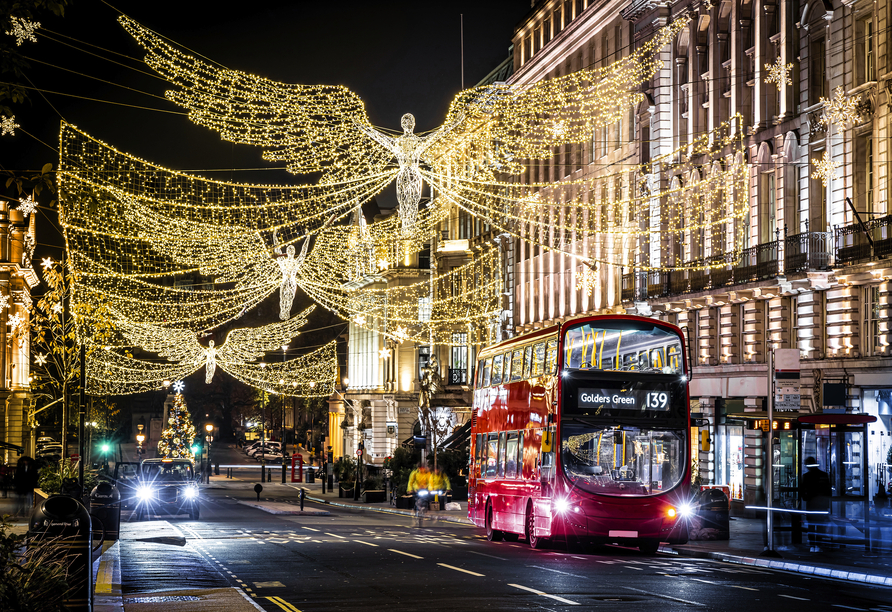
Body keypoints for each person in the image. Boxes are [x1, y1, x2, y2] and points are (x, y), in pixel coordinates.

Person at [801, 456, 832, 552]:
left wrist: (805, 498)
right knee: (820, 526)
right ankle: (818, 545)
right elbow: (828, 491)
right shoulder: (824, 475)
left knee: (811, 525)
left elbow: (802, 490)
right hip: (821, 505)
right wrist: (827, 506)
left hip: (811, 504)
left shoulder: (806, 476)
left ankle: (812, 545)